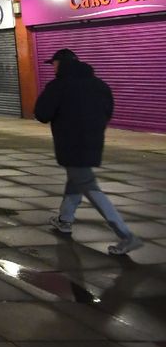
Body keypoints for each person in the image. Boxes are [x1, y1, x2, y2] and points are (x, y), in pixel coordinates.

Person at [34, 48, 143, 255]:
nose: (53, 67)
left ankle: (126, 235)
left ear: (61, 64)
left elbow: (42, 113)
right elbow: (108, 110)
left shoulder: (59, 85)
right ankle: (65, 220)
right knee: (75, 180)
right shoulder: (99, 84)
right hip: (93, 142)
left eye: (54, 63)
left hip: (70, 143)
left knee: (89, 186)